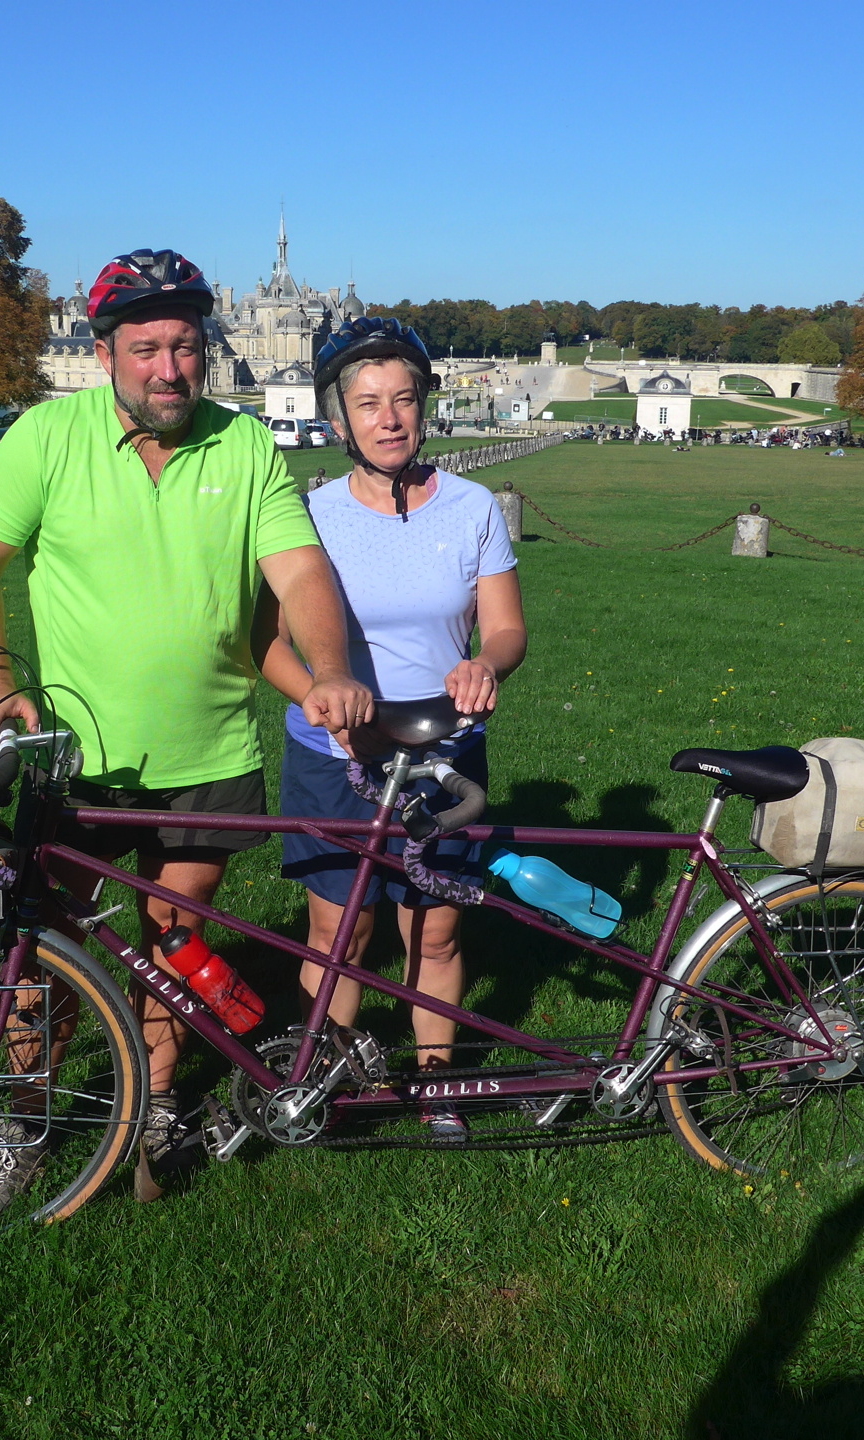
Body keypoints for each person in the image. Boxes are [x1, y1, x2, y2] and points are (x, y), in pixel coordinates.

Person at [0, 248, 373, 1211]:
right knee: (42, 958)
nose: (170, 369)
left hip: (209, 757)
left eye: (185, 346)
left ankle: (161, 1101)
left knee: (174, 949)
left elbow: (299, 572)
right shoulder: (48, 438)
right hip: (73, 765)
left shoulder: (246, 445)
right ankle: (29, 1116)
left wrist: (331, 668)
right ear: (105, 354)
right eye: (147, 349)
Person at [255, 318, 527, 1142]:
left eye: (404, 399)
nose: (390, 418)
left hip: (443, 751)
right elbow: (262, 643)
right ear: (339, 419)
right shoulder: (307, 516)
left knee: (434, 927)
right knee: (340, 925)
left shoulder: (473, 507)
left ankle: (436, 1082)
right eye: (368, 403)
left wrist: (488, 664)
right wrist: (320, 694)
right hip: (335, 757)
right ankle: (325, 1079)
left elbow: (508, 628)